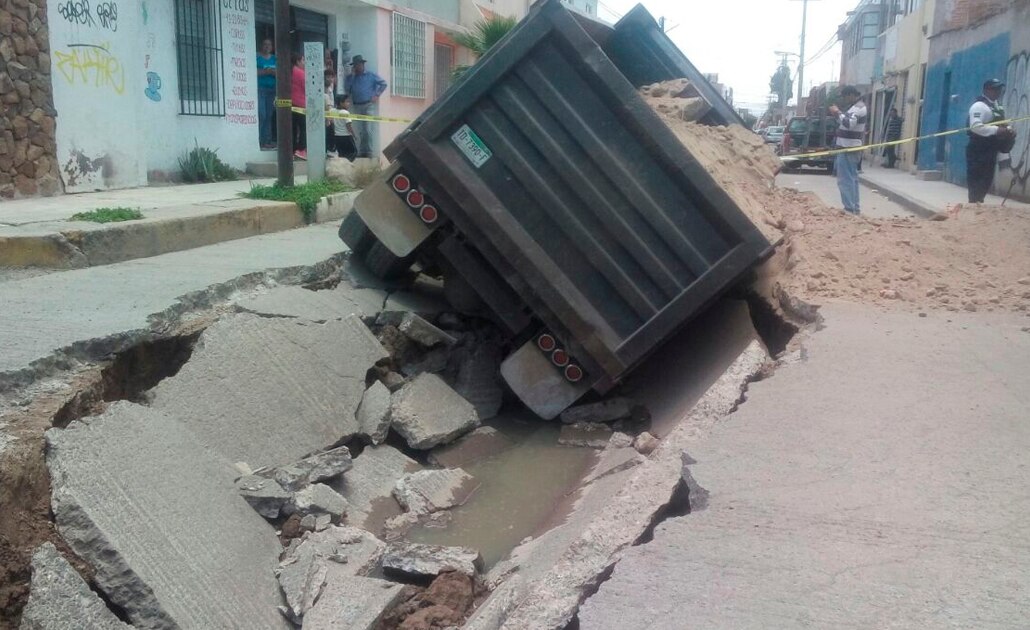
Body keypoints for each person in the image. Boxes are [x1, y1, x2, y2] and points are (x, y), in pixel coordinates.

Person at [966, 78, 1017, 204]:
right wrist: (997, 130)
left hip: (990, 148)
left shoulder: (997, 106)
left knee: (987, 178)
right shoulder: (979, 106)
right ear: (986, 90)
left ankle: (979, 202)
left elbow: (1001, 123)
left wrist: (1008, 130)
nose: (997, 91)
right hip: (978, 148)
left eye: (999, 89)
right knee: (977, 179)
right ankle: (974, 205)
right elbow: (976, 127)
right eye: (994, 89)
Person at [828, 85, 867, 215]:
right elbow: (844, 122)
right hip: (848, 148)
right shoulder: (855, 107)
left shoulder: (858, 108)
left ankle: (850, 209)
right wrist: (837, 115)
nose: (844, 100)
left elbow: (849, 124)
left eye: (844, 97)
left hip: (848, 149)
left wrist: (838, 112)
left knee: (845, 180)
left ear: (850, 95)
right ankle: (854, 208)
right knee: (852, 179)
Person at [344, 55, 388, 158]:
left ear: (363, 64)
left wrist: (377, 95)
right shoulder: (351, 77)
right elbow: (347, 89)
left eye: (358, 65)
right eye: (355, 65)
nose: (357, 67)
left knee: (368, 129)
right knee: (361, 130)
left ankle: (369, 151)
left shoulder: (371, 75)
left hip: (368, 105)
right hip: (357, 105)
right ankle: (363, 151)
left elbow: (383, 84)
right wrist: (353, 76)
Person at [256, 39, 276, 149]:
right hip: (260, 89)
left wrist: (271, 72)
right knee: (262, 114)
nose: (267, 46)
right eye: (265, 44)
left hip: (272, 90)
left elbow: (280, 72)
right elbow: (254, 71)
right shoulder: (257, 58)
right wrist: (267, 72)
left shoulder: (275, 59)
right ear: (261, 46)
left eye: (269, 44)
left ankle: (267, 141)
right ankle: (260, 140)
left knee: (269, 115)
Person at [329, 94, 357, 162]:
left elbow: (331, 122)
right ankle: (347, 164)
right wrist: (354, 135)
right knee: (354, 152)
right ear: (341, 103)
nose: (349, 104)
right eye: (347, 102)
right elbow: (348, 126)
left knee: (342, 154)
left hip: (337, 137)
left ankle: (342, 165)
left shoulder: (332, 111)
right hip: (346, 136)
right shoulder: (346, 112)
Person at [290, 53, 307, 160]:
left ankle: (292, 150)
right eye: (303, 60)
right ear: (298, 61)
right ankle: (301, 150)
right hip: (301, 103)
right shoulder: (301, 73)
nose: (304, 63)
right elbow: (306, 88)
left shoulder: (289, 72)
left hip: (290, 103)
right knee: (303, 128)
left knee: (292, 128)